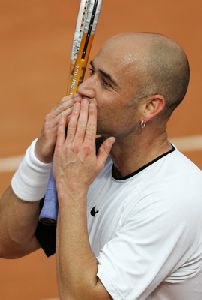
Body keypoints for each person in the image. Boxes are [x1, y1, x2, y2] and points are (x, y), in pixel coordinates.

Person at [0, 32, 202, 300]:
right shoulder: (88, 158)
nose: (85, 88)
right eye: (92, 72)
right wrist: (39, 158)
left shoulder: (175, 199)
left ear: (150, 107)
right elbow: (9, 241)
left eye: (106, 83)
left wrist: (72, 188)